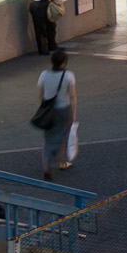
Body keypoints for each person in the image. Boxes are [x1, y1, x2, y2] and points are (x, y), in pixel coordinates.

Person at [36, 49, 76, 181]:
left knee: (48, 139)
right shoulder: (68, 75)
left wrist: (43, 108)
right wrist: (74, 113)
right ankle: (62, 161)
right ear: (64, 62)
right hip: (64, 109)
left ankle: (46, 167)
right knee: (64, 135)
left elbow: (41, 95)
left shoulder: (44, 74)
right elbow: (72, 96)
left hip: (49, 111)